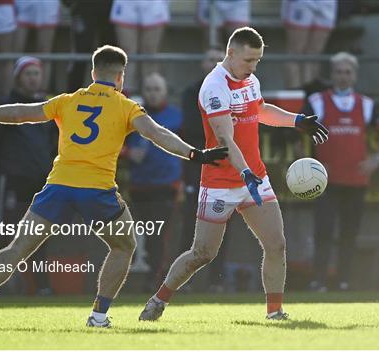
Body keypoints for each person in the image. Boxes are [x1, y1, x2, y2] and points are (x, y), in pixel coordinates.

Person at [0, 45, 228, 330]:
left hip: (59, 186)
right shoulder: (125, 105)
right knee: (124, 245)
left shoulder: (68, 100)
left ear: (93, 73)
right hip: (97, 190)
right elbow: (157, 133)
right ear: (120, 77)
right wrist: (195, 154)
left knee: (17, 249)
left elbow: (21, 114)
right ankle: (99, 316)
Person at [139, 27, 328, 322]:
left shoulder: (249, 79)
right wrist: (245, 173)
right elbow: (226, 140)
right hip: (220, 183)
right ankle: (158, 300)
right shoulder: (214, 87)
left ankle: (275, 312)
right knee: (202, 253)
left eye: (257, 61)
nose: (253, 68)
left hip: (255, 177)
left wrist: (297, 121)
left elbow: (261, 109)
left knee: (276, 244)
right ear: (231, 53)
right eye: (249, 60)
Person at [303, 52, 379, 292]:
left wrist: (376, 159)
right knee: (323, 231)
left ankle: (344, 281)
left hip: (356, 180)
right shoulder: (317, 101)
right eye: (339, 72)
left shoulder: (367, 104)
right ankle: (318, 281)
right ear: (332, 75)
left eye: (348, 72)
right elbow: (300, 133)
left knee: (349, 234)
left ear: (355, 76)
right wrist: (312, 163)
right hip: (325, 182)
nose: (343, 76)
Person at [0, 56, 57, 295]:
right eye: (28, 73)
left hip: (41, 181)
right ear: (17, 77)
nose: (33, 78)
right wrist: (5, 172)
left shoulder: (48, 108)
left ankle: (41, 286)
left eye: (37, 73)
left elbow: (53, 145)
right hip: (14, 180)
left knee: (40, 234)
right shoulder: (4, 107)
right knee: (5, 232)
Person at [180, 47, 231, 291]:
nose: (213, 64)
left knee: (222, 224)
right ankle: (184, 281)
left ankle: (216, 281)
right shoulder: (191, 92)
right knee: (190, 223)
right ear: (202, 64)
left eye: (216, 60)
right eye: (209, 59)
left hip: (226, 167)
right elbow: (191, 128)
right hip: (199, 165)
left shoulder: (234, 90)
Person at [126, 73, 182, 291]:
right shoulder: (133, 116)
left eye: (157, 88)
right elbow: (113, 143)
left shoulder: (177, 117)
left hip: (166, 185)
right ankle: (151, 275)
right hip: (139, 186)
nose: (153, 93)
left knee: (160, 234)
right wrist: (128, 152)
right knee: (146, 234)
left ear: (165, 92)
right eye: (149, 88)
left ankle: (156, 279)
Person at [110, 0, 170, 94]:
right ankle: (124, 96)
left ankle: (150, 97)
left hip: (153, 4)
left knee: (150, 53)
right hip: (127, 4)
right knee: (126, 53)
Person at [281, 0, 338, 88]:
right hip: (302, 3)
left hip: (326, 4)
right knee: (295, 53)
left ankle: (310, 92)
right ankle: (294, 93)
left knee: (314, 54)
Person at [63, 0, 116, 92]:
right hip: (82, 7)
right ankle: (73, 94)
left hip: (109, 8)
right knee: (80, 52)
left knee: (108, 53)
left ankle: (107, 93)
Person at [13, 0, 60, 91]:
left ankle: (42, 95)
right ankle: (15, 94)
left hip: (46, 3)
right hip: (22, 3)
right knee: (15, 52)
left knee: (45, 52)